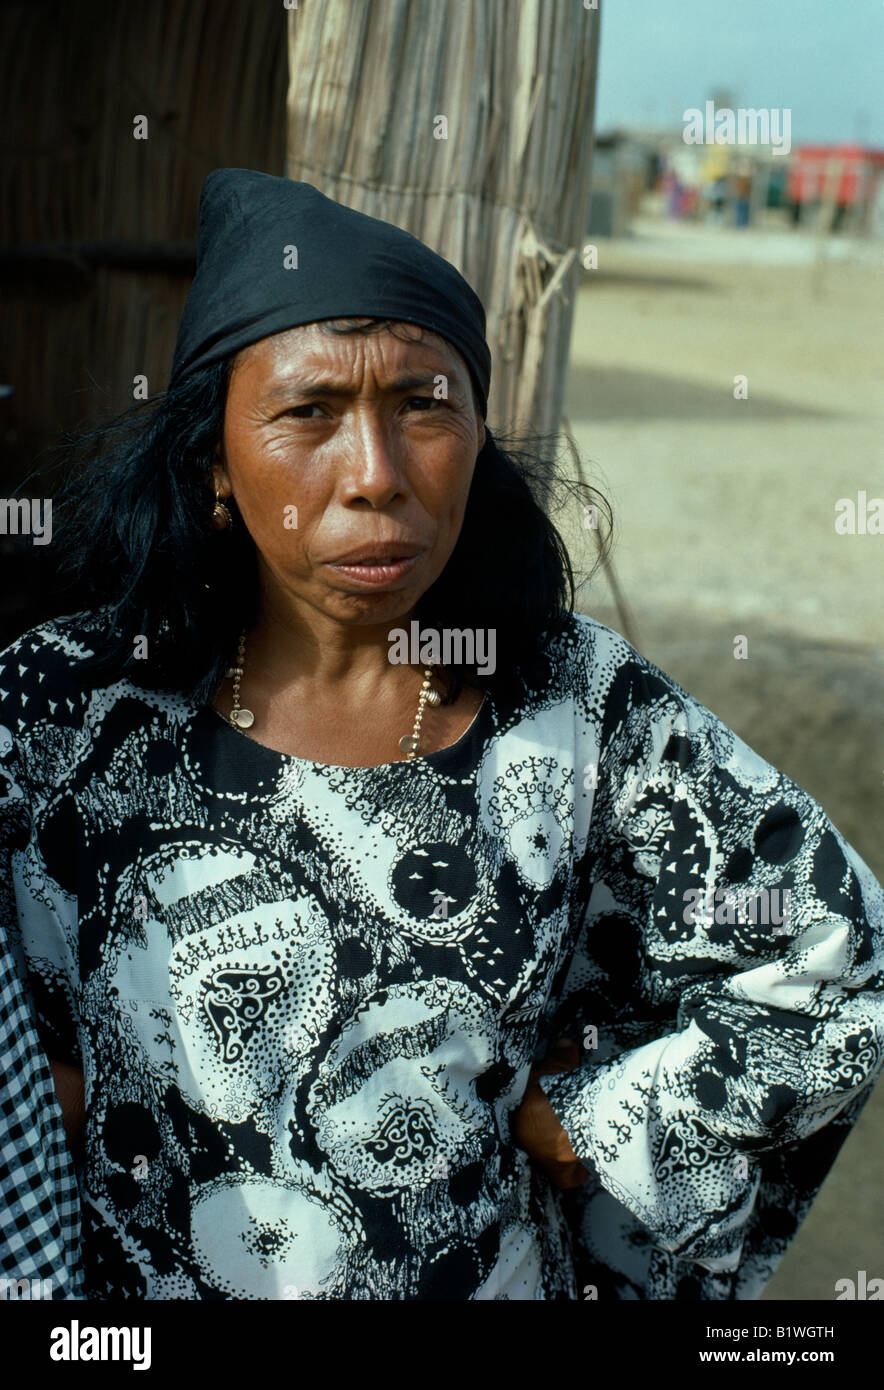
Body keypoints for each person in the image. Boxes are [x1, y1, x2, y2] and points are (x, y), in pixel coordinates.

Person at [1, 169, 882, 1301]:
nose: (375, 476)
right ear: (214, 463)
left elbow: (836, 958)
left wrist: (603, 1118)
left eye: (423, 404)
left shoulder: (575, 707)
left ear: (475, 435)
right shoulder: (68, 711)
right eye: (307, 412)